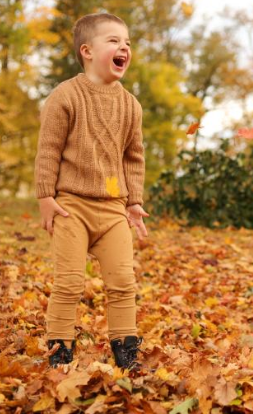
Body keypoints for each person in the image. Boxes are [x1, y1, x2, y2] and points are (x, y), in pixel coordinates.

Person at [34, 13, 148, 370]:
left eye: (127, 42)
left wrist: (134, 201)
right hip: (71, 206)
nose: (123, 47)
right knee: (69, 283)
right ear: (87, 50)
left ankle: (125, 351)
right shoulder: (65, 96)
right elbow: (49, 148)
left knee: (123, 282)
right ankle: (60, 352)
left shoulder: (131, 105)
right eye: (113, 41)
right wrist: (45, 197)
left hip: (113, 210)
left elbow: (133, 157)